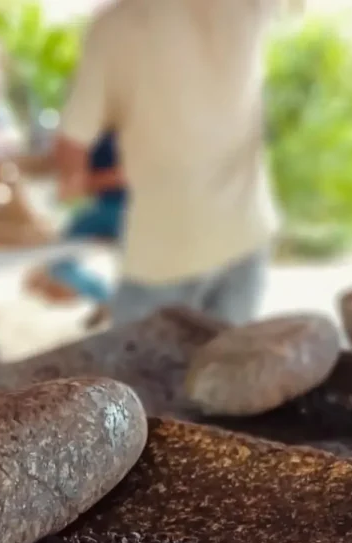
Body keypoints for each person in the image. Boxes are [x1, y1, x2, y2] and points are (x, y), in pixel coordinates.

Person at [56, 0, 275, 328]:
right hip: (246, 235)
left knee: (136, 362)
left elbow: (72, 150)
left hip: (166, 251)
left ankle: (100, 297)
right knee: (229, 358)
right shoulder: (246, 6)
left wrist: (78, 180)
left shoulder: (117, 26)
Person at [25, 129, 124, 306]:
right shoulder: (97, 136)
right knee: (58, 263)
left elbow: (127, 176)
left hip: (120, 208)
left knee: (58, 263)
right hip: (105, 206)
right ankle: (109, 298)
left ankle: (110, 299)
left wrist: (83, 182)